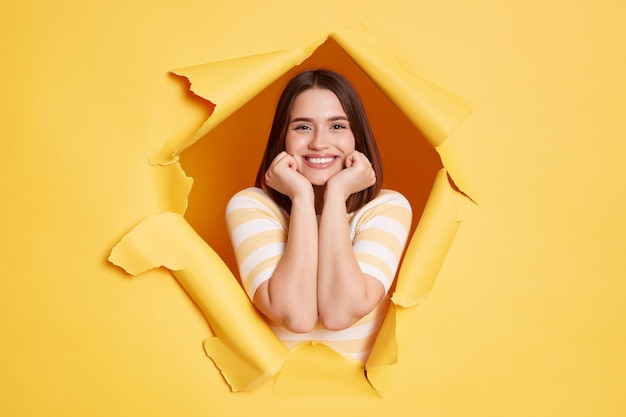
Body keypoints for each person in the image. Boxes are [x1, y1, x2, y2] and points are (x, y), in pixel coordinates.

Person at [225, 69, 412, 361]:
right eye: (302, 127)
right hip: (269, 402)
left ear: (356, 137)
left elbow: (340, 313)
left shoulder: (387, 208)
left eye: (337, 126)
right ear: (283, 139)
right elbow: (296, 316)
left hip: (362, 402)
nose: (319, 143)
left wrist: (336, 196)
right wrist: (301, 198)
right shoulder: (251, 207)